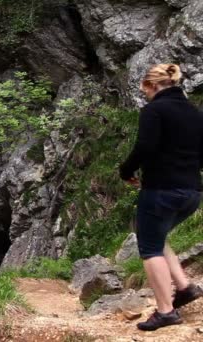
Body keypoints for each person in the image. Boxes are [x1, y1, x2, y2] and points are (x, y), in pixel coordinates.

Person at [119, 63, 203, 331]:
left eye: (145, 91)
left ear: (151, 86)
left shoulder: (154, 110)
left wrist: (126, 170)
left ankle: (166, 311)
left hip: (161, 190)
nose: (146, 96)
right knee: (155, 235)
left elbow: (145, 145)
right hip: (192, 192)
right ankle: (185, 287)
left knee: (150, 248)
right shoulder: (194, 112)